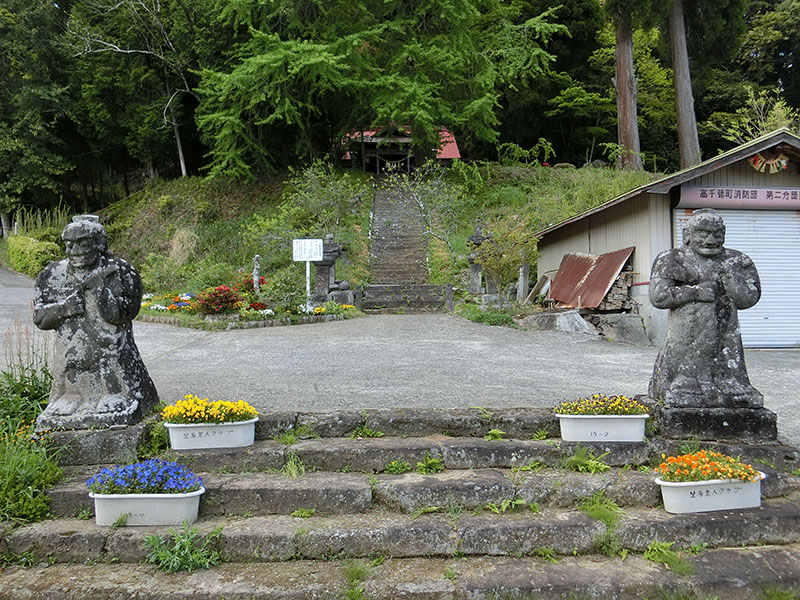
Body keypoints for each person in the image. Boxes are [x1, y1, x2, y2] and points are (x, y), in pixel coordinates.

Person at [33, 215, 158, 430]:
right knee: (71, 362)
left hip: (111, 358)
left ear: (99, 243)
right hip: (70, 357)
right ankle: (71, 396)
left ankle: (115, 394)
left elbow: (124, 314)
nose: (74, 250)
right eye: (69, 244)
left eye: (83, 242)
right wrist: (66, 308)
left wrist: (99, 289)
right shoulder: (53, 274)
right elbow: (40, 318)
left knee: (109, 363)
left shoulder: (120, 271)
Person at [648, 208, 763, 408]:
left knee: (732, 379)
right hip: (686, 335)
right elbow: (658, 297)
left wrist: (732, 278)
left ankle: (727, 381)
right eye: (703, 233)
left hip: (726, 335)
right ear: (688, 235)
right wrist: (695, 292)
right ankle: (684, 382)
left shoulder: (736, 260)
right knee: (683, 385)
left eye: (717, 234)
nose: (710, 240)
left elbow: (749, 299)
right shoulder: (672, 258)